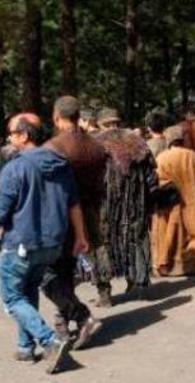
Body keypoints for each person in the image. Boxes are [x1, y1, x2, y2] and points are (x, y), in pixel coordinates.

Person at [0, 113, 88, 374]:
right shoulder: (61, 164)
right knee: (28, 290)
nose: (9, 137)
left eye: (12, 133)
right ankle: (25, 347)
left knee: (13, 298)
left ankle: (50, 342)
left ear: (25, 135)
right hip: (52, 244)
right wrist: (81, 236)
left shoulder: (15, 168)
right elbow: (74, 204)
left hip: (21, 244)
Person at [42, 96, 107, 349]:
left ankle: (78, 316)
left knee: (48, 274)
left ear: (57, 117)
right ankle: (67, 320)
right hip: (88, 213)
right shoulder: (96, 146)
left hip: (60, 217)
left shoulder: (53, 147)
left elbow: (47, 190)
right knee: (66, 269)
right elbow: (100, 184)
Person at [94, 108, 158, 304]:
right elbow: (152, 178)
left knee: (102, 245)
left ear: (99, 124)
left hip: (104, 205)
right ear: (118, 121)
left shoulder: (95, 143)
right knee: (136, 239)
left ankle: (105, 292)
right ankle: (139, 284)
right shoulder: (137, 141)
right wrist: (149, 201)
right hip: (135, 204)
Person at [153, 126, 195, 276]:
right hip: (192, 204)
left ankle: (169, 266)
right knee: (194, 233)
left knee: (170, 235)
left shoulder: (161, 158)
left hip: (171, 206)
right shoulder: (192, 156)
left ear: (168, 140)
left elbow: (157, 183)